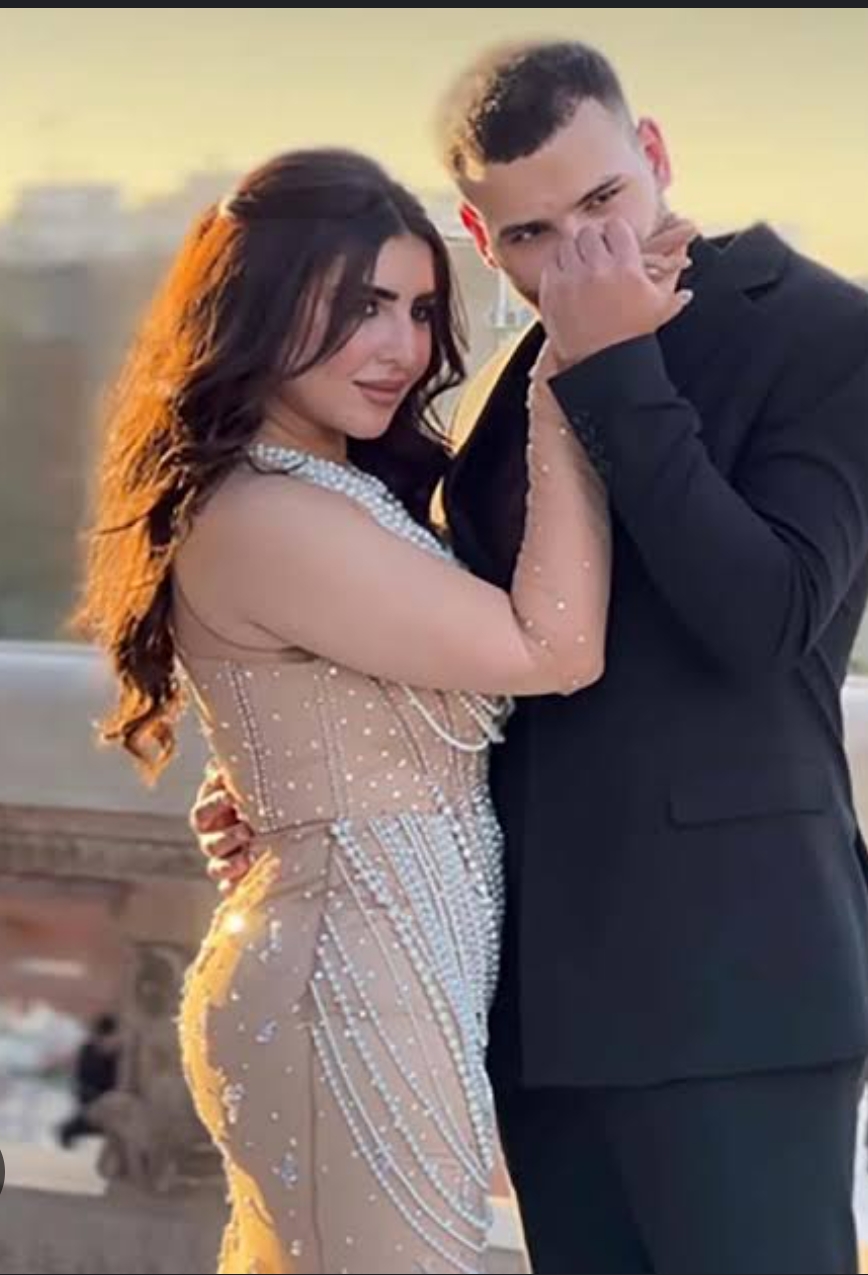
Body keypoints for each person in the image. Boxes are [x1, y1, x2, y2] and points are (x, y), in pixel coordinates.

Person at [196, 42, 868, 1274]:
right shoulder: (507, 374)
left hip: (735, 988)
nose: (580, 255)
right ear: (480, 235)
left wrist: (613, 367)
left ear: (653, 153)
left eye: (603, 200)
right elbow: (455, 632)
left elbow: (767, 620)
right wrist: (299, 772)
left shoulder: (823, 331)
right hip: (532, 1004)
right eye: (532, 235)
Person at [75, 145, 636, 1273]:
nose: (402, 348)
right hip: (346, 995)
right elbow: (557, 648)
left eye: (420, 311)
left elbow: (324, 704)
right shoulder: (267, 511)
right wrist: (570, 382)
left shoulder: (330, 491)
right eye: (359, 306)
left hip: (378, 980)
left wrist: (264, 787)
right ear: (259, 302)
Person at [56, 1012, 121, 1149]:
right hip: (92, 1099)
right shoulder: (88, 1050)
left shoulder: (119, 1054)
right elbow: (81, 1079)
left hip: (110, 1100)